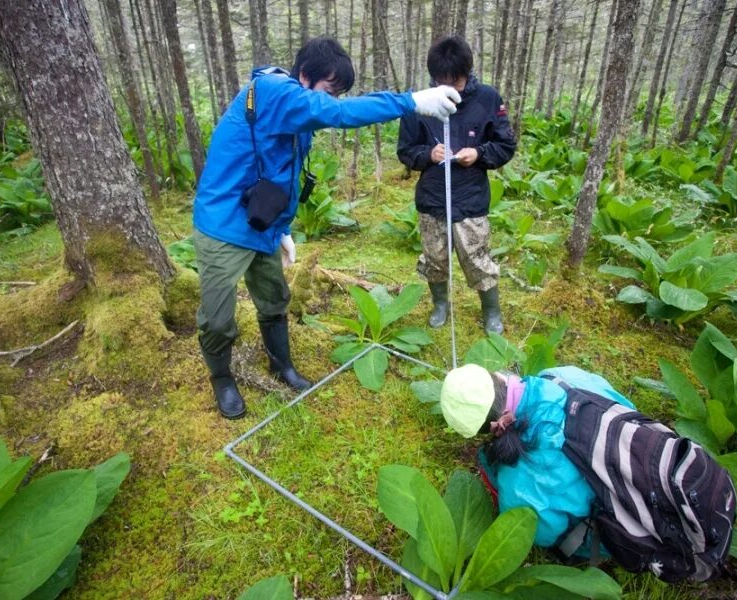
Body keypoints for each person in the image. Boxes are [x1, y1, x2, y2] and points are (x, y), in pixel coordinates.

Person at [193, 37, 461, 419]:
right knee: (218, 320)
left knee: (274, 300)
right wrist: (410, 101)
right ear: (304, 75)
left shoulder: (293, 111)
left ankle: (281, 366)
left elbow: (281, 174)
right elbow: (335, 114)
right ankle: (221, 379)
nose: (332, 101)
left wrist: (282, 228)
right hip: (223, 226)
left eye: (338, 94)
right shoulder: (274, 92)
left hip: (261, 223)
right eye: (329, 91)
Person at [439, 363, 634, 552]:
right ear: (499, 377)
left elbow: (540, 533)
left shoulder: (516, 479)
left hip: (624, 530)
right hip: (638, 456)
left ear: (486, 430)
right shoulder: (558, 375)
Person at [397, 36, 517, 334]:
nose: (451, 87)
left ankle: (491, 310)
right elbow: (405, 150)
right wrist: (428, 155)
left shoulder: (488, 98)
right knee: (435, 258)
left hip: (471, 198)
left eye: (457, 81)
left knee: (477, 259)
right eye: (443, 82)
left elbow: (505, 144)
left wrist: (478, 154)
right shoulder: (419, 103)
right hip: (433, 197)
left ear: (467, 72)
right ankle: (440, 304)